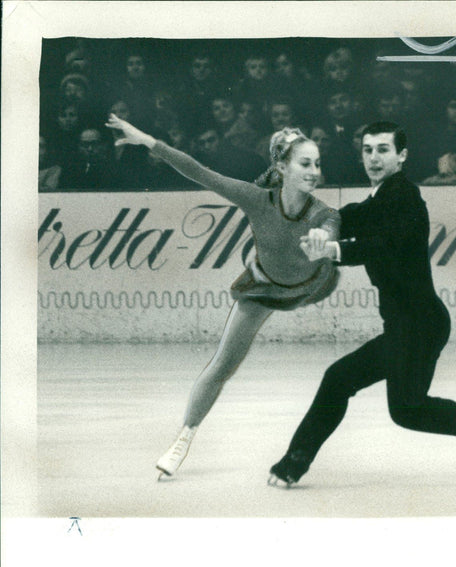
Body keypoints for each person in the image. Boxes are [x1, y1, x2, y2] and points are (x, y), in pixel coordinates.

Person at [268, 121, 456, 486]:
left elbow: (384, 242)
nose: (374, 158)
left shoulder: (405, 197)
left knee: (350, 384)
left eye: (383, 150)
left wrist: (333, 249)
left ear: (402, 156)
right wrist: (314, 220)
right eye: (367, 150)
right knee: (405, 409)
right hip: (407, 325)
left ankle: (293, 464)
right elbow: (348, 215)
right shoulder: (381, 198)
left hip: (419, 325)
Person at [104, 113, 342, 479]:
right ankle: (184, 436)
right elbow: (201, 172)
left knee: (328, 273)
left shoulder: (325, 213)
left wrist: (324, 243)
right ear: (282, 166)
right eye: (305, 163)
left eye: (317, 163)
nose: (314, 171)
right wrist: (149, 140)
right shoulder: (256, 198)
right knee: (222, 366)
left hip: (313, 285)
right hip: (263, 291)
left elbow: (329, 228)